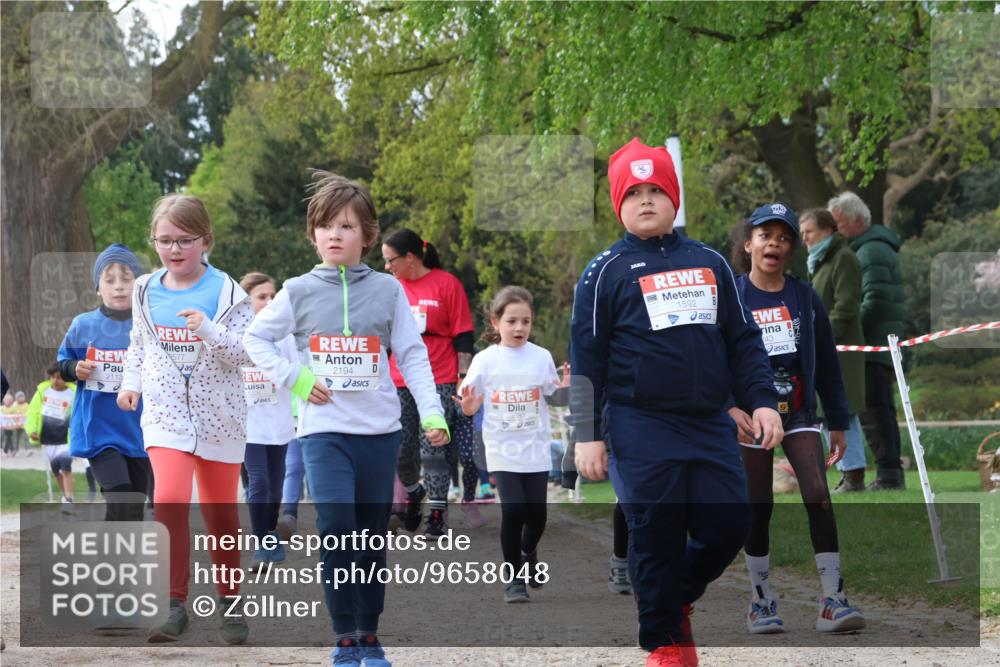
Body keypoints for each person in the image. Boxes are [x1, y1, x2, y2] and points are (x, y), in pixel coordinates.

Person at [571, 138, 782, 667]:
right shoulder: (603, 273)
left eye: (656, 190)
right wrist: (586, 434)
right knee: (656, 531)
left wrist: (762, 401)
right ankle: (665, 642)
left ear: (674, 197)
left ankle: (674, 597)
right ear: (618, 203)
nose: (646, 200)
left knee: (731, 524)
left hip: (709, 422)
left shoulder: (710, 261)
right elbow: (587, 359)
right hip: (638, 423)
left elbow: (743, 341)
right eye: (634, 192)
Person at [245, 171, 450, 667]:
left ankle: (369, 634)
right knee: (336, 527)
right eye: (325, 226)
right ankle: (344, 637)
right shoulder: (295, 290)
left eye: (346, 226)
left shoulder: (388, 291)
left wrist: (432, 413)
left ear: (368, 235)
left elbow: (412, 353)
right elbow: (255, 340)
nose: (334, 234)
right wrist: (295, 378)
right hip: (323, 432)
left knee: (369, 536)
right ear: (312, 234)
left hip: (378, 432)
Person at [118, 194, 254, 644]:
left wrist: (208, 328)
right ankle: (174, 604)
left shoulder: (229, 292)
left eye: (184, 240)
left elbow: (244, 355)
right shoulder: (142, 289)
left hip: (220, 418)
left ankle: (231, 603)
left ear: (205, 240)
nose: (174, 250)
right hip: (166, 416)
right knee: (170, 500)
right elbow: (139, 346)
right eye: (164, 241)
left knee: (221, 515)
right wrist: (129, 383)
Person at [729, 203, 866, 635]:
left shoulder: (805, 297)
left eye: (784, 237)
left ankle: (833, 598)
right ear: (748, 243)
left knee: (818, 494)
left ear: (790, 248)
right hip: (751, 416)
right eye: (765, 235)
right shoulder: (731, 298)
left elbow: (827, 363)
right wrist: (728, 408)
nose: (775, 243)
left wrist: (838, 421)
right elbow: (715, 360)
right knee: (759, 506)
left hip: (801, 412)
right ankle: (761, 601)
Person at [456, 286, 570, 602]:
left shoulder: (541, 357)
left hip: (534, 447)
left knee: (537, 516)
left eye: (526, 321)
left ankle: (528, 551)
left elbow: (555, 398)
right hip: (501, 447)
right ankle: (514, 580)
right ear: (496, 322)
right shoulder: (485, 360)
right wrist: (467, 406)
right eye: (512, 321)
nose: (519, 328)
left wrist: (566, 390)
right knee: (514, 509)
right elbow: (467, 404)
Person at [382, 228, 480, 535]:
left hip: (439, 376)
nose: (387, 266)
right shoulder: (390, 289)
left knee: (433, 448)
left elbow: (464, 336)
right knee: (400, 448)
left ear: (410, 257)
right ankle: (413, 493)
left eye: (390, 260)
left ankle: (437, 511)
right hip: (398, 378)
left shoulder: (447, 284)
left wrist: (463, 378)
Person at [57, 244, 150, 522]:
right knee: (120, 497)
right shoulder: (83, 325)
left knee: (133, 507)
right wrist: (75, 368)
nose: (119, 287)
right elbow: (62, 366)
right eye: (109, 280)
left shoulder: (149, 325)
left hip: (140, 431)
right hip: (99, 430)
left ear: (139, 285)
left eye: (127, 278)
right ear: (98, 288)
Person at [828, 192, 906, 490]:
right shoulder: (873, 248)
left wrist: (849, 331)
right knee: (879, 409)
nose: (835, 231)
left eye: (838, 223)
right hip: (878, 342)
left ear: (856, 220)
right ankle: (889, 473)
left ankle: (888, 475)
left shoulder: (869, 252)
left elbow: (873, 300)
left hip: (871, 345)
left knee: (875, 411)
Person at [799, 209, 868, 492]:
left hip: (840, 348)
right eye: (802, 233)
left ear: (828, 230)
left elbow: (847, 305)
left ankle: (854, 475)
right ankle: (847, 470)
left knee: (843, 408)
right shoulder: (822, 260)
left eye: (809, 232)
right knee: (830, 410)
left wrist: (820, 336)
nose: (804, 238)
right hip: (828, 347)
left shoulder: (843, 258)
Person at [240, 272, 297, 569]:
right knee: (258, 481)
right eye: (262, 296)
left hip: (279, 419)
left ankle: (270, 537)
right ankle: (262, 543)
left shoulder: (284, 334)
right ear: (245, 300)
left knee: (275, 486)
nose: (269, 301)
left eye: (272, 295)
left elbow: (296, 369)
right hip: (248, 422)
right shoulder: (235, 334)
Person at [25, 363, 77, 513]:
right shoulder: (43, 392)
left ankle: (69, 500)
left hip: (66, 438)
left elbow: (78, 415)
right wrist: (32, 430)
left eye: (59, 378)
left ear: (66, 379)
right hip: (48, 437)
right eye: (53, 377)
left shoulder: (73, 394)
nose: (55, 380)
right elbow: (33, 412)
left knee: (66, 465)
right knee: (56, 470)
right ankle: (66, 496)